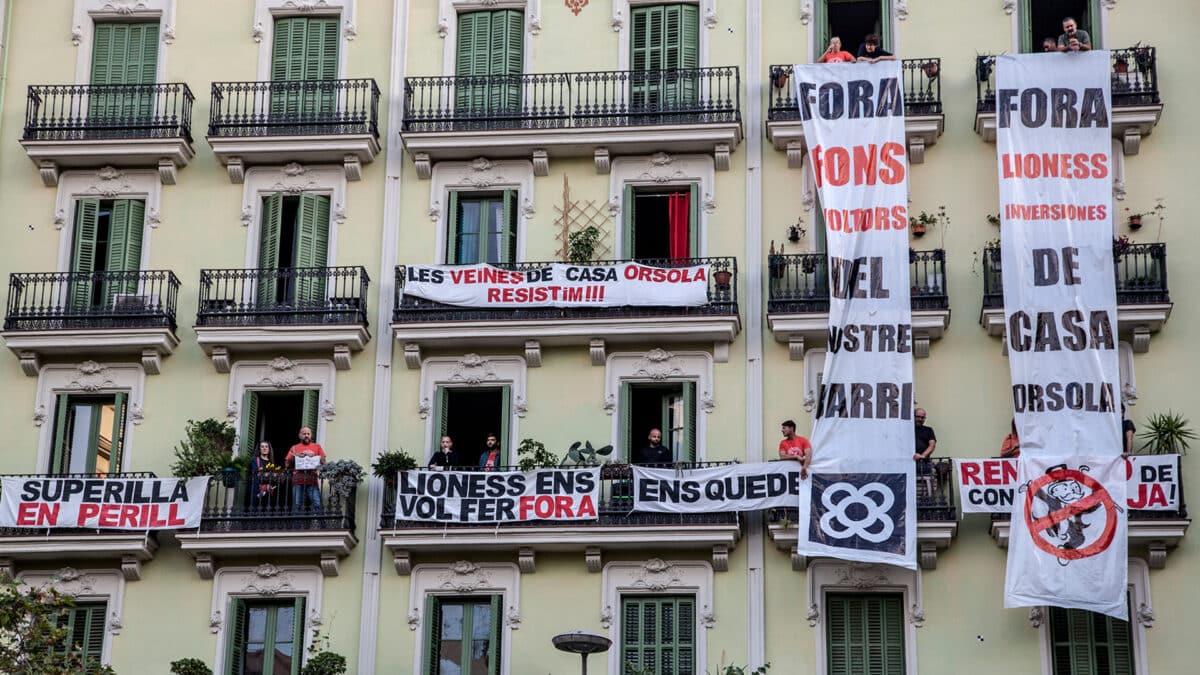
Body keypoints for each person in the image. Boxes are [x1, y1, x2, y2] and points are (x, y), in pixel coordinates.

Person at [286, 426, 326, 515]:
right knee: (297, 505)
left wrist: (314, 455)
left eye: (308, 434)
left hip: (312, 480)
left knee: (317, 503)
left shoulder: (317, 447)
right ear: (299, 435)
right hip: (297, 480)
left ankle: (317, 526)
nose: (306, 435)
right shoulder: (294, 448)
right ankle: (297, 528)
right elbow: (287, 464)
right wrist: (295, 456)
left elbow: (323, 461)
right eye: (304, 434)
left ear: (311, 435)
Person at [249, 441, 281, 505]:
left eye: (266, 447)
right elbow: (256, 473)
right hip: (257, 490)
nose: (264, 448)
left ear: (269, 449)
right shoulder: (255, 460)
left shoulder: (272, 462)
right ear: (259, 449)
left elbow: (276, 476)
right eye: (262, 447)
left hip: (270, 492)